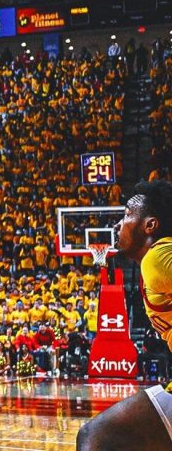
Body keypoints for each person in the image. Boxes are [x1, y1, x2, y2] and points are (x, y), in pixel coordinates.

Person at [78, 180, 172, 450]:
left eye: (128, 214)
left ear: (150, 225)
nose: (119, 223)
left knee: (95, 438)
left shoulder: (158, 258)